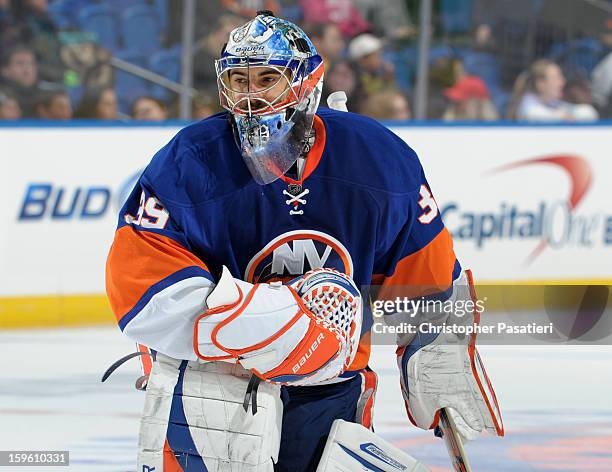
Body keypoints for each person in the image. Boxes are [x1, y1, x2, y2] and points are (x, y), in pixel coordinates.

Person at [105, 11, 503, 472]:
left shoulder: (378, 159)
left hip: (332, 389)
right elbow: (140, 286)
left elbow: (426, 280)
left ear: (307, 82)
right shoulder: (190, 162)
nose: (250, 96)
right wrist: (283, 325)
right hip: (214, 387)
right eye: (238, 79)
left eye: (267, 79)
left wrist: (439, 359)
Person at [508, 59, 598, 121]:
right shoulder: (527, 105)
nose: (562, 82)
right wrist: (563, 117)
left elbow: (587, 112)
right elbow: (533, 114)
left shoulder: (554, 104)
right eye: (556, 78)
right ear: (541, 83)